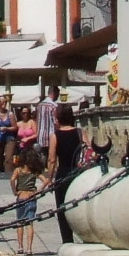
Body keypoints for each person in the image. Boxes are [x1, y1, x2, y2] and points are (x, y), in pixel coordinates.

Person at [47, 85, 85, 243]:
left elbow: (51, 159)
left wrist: (50, 178)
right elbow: (89, 149)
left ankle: (67, 239)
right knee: (77, 205)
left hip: (62, 173)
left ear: (58, 118)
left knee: (62, 209)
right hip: (77, 172)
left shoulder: (55, 136)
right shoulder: (79, 132)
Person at [11, 148, 48, 255]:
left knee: (19, 222)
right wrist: (38, 191)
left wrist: (15, 191)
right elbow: (45, 181)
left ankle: (20, 247)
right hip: (31, 197)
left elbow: (12, 179)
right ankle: (29, 248)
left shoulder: (18, 170)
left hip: (21, 197)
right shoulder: (34, 171)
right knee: (30, 223)